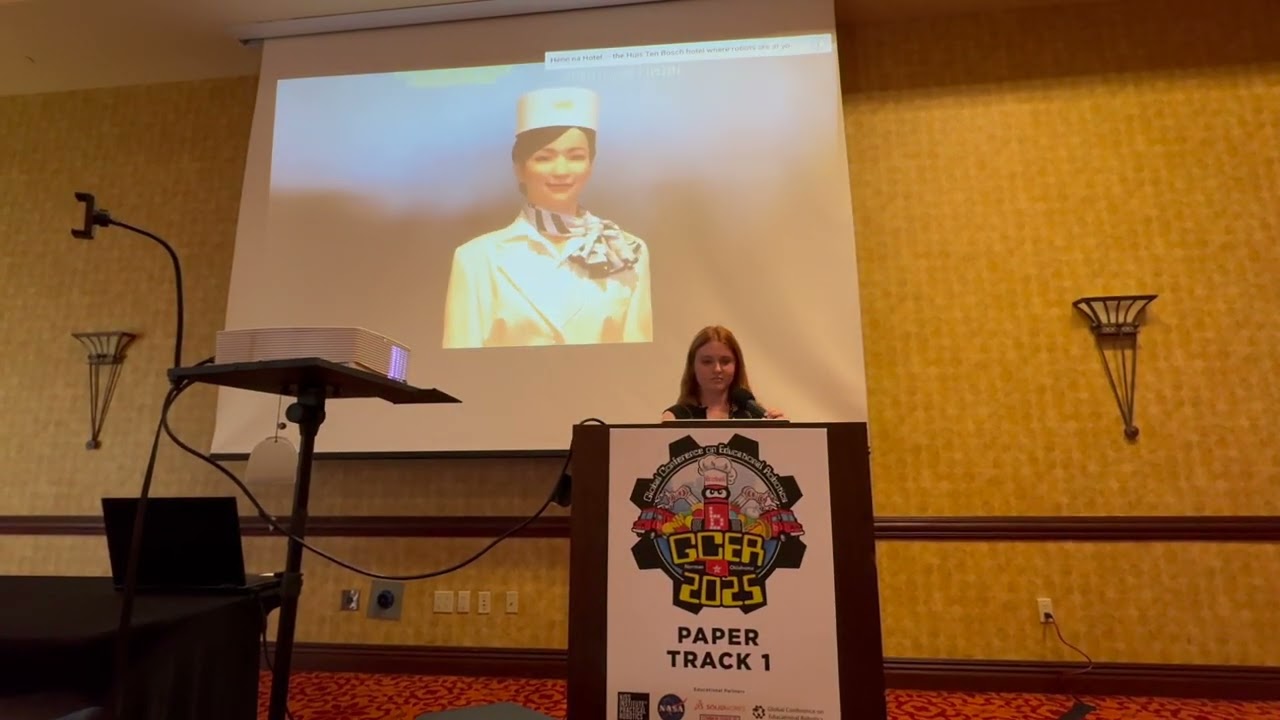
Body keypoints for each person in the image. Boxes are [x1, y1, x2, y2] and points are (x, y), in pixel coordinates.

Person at [441, 86, 653, 349]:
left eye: (576, 157)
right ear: (520, 168)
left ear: (591, 165)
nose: (561, 170)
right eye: (544, 158)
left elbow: (637, 349)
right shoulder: (477, 258)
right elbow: (461, 354)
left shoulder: (627, 250)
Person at [662, 325, 785, 420]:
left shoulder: (753, 416)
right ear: (692, 367)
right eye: (707, 362)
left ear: (737, 366)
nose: (717, 369)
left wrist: (782, 432)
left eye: (725, 361)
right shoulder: (675, 418)